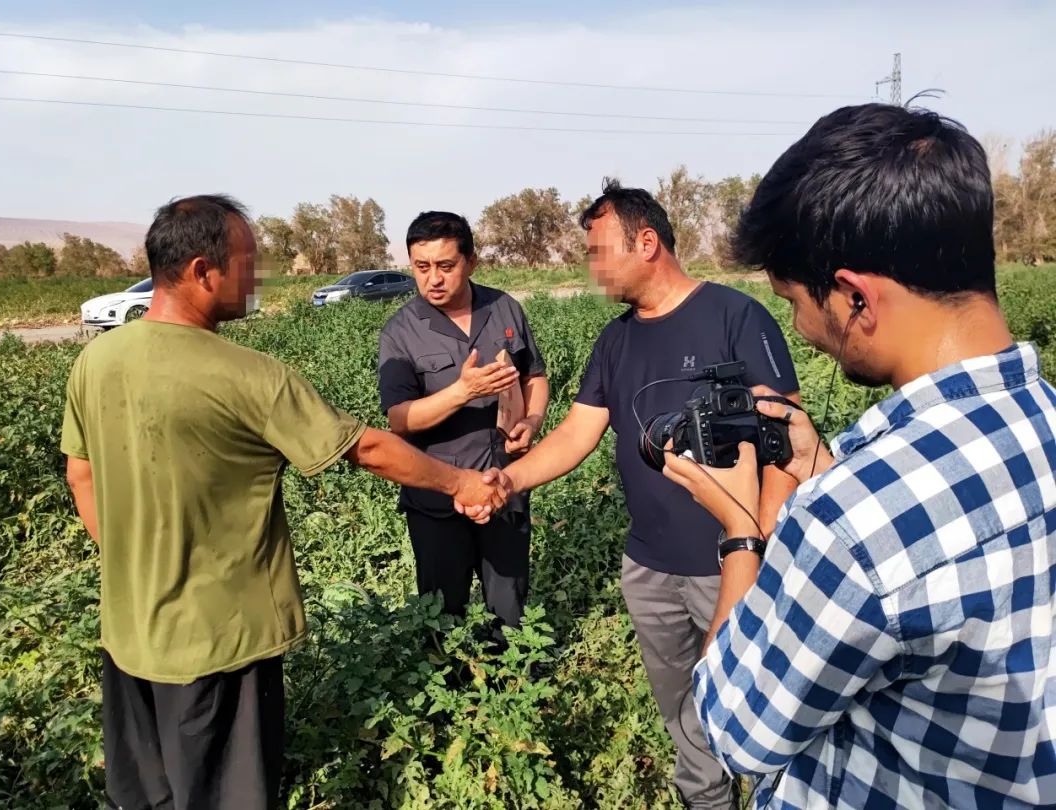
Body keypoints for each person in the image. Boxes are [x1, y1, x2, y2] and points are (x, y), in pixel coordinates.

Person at [662, 103, 1056, 809]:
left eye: (792, 301)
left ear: (853, 297)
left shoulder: (850, 523)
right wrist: (822, 470)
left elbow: (736, 728)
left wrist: (740, 531)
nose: (800, 327)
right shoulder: (1042, 419)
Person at [61, 195, 506, 810]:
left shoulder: (95, 360)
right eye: (248, 261)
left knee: (145, 795)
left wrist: (136, 563)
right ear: (201, 271)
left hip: (128, 634)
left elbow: (80, 474)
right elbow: (367, 448)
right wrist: (460, 483)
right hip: (219, 643)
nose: (258, 276)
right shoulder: (248, 374)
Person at [467, 182, 801, 809]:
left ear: (646, 243)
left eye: (598, 251)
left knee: (761, 704)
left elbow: (789, 436)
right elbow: (576, 433)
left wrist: (760, 533)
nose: (590, 266)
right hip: (649, 568)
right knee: (684, 714)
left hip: (734, 563)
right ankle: (708, 801)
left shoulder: (734, 316)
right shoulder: (615, 341)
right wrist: (509, 479)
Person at [378, 211, 549, 635]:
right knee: (442, 613)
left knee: (509, 609)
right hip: (437, 497)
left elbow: (535, 376)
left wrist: (531, 419)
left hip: (503, 484)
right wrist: (462, 391)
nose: (433, 278)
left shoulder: (504, 308)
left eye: (445, 266)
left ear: (471, 262)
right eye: (422, 267)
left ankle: (508, 692)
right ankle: (450, 688)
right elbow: (400, 420)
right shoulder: (400, 332)